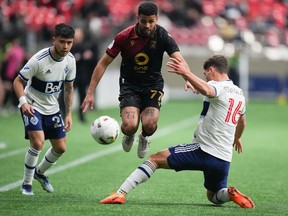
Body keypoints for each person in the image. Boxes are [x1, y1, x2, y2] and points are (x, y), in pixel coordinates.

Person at [99, 55, 255, 209]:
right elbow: (242, 121)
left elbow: (209, 89)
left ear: (212, 70)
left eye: (205, 74)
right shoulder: (239, 93)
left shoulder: (216, 86)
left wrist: (185, 73)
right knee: (213, 195)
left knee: (155, 159)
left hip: (204, 151)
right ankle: (229, 193)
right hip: (224, 158)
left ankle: (120, 193)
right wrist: (237, 138)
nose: (206, 77)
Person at [81, 1, 186, 158]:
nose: (147, 25)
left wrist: (188, 77)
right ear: (137, 18)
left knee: (149, 125)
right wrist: (90, 92)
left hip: (153, 85)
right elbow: (103, 63)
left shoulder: (163, 35)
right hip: (130, 85)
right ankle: (129, 135)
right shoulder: (124, 36)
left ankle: (144, 137)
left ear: (157, 19)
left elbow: (179, 60)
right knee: (130, 126)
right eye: (144, 21)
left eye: (151, 21)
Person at [13, 23, 76, 195]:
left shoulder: (70, 61)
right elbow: (18, 81)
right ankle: (26, 184)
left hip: (52, 108)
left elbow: (69, 88)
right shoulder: (38, 60)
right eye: (62, 42)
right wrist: (23, 102)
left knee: (61, 148)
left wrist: (68, 114)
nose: (65, 46)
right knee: (38, 142)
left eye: (69, 42)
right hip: (32, 105)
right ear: (54, 40)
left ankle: (39, 173)